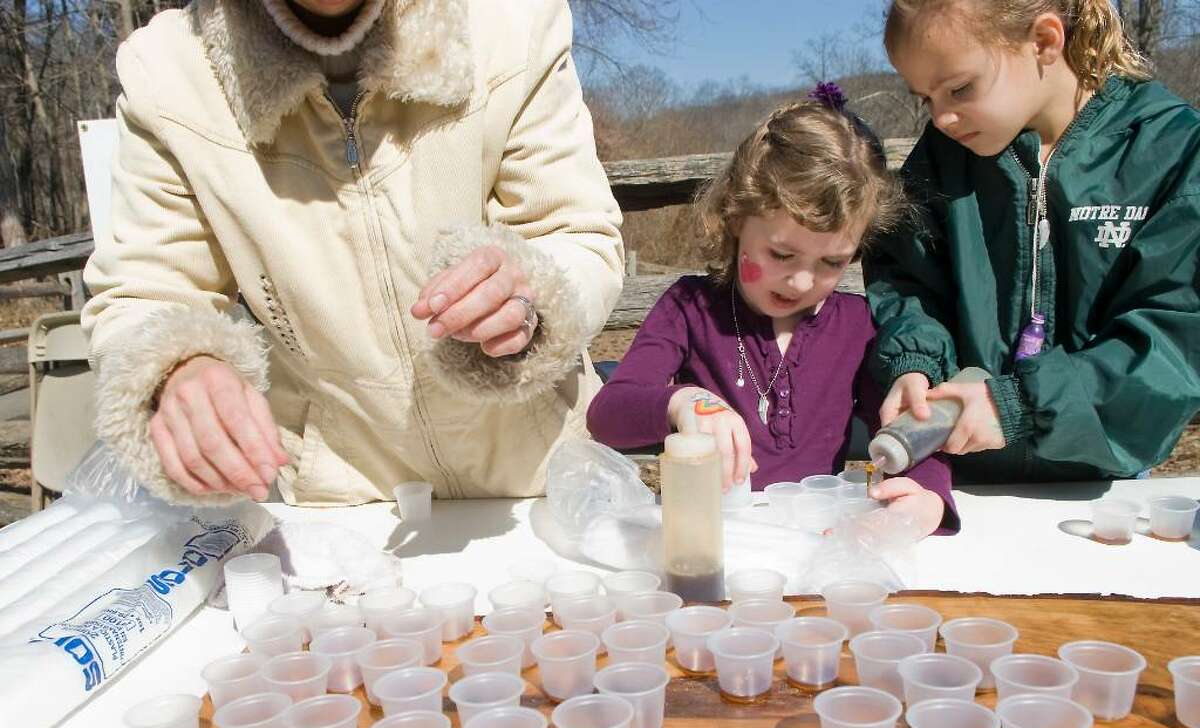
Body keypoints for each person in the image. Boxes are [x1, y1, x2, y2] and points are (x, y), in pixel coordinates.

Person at [82, 0, 624, 507]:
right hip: (341, 512)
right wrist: (179, 368)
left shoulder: (510, 21)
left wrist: (529, 293)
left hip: (548, 490)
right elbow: (142, 292)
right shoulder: (169, 74)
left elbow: (577, 233)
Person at [587, 90, 958, 539]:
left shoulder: (856, 326)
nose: (802, 282)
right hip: (708, 539)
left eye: (832, 263)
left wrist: (926, 497)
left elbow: (906, 427)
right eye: (782, 254)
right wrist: (683, 401)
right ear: (737, 217)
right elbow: (606, 415)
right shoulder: (690, 308)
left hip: (811, 541)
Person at [868, 0, 1200, 484]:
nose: (941, 118)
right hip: (965, 482)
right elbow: (908, 280)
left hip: (1100, 485)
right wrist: (913, 362)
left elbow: (1176, 336)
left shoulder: (1167, 152)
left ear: (1044, 42)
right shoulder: (943, 161)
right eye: (926, 99)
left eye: (959, 89)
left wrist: (1021, 406)